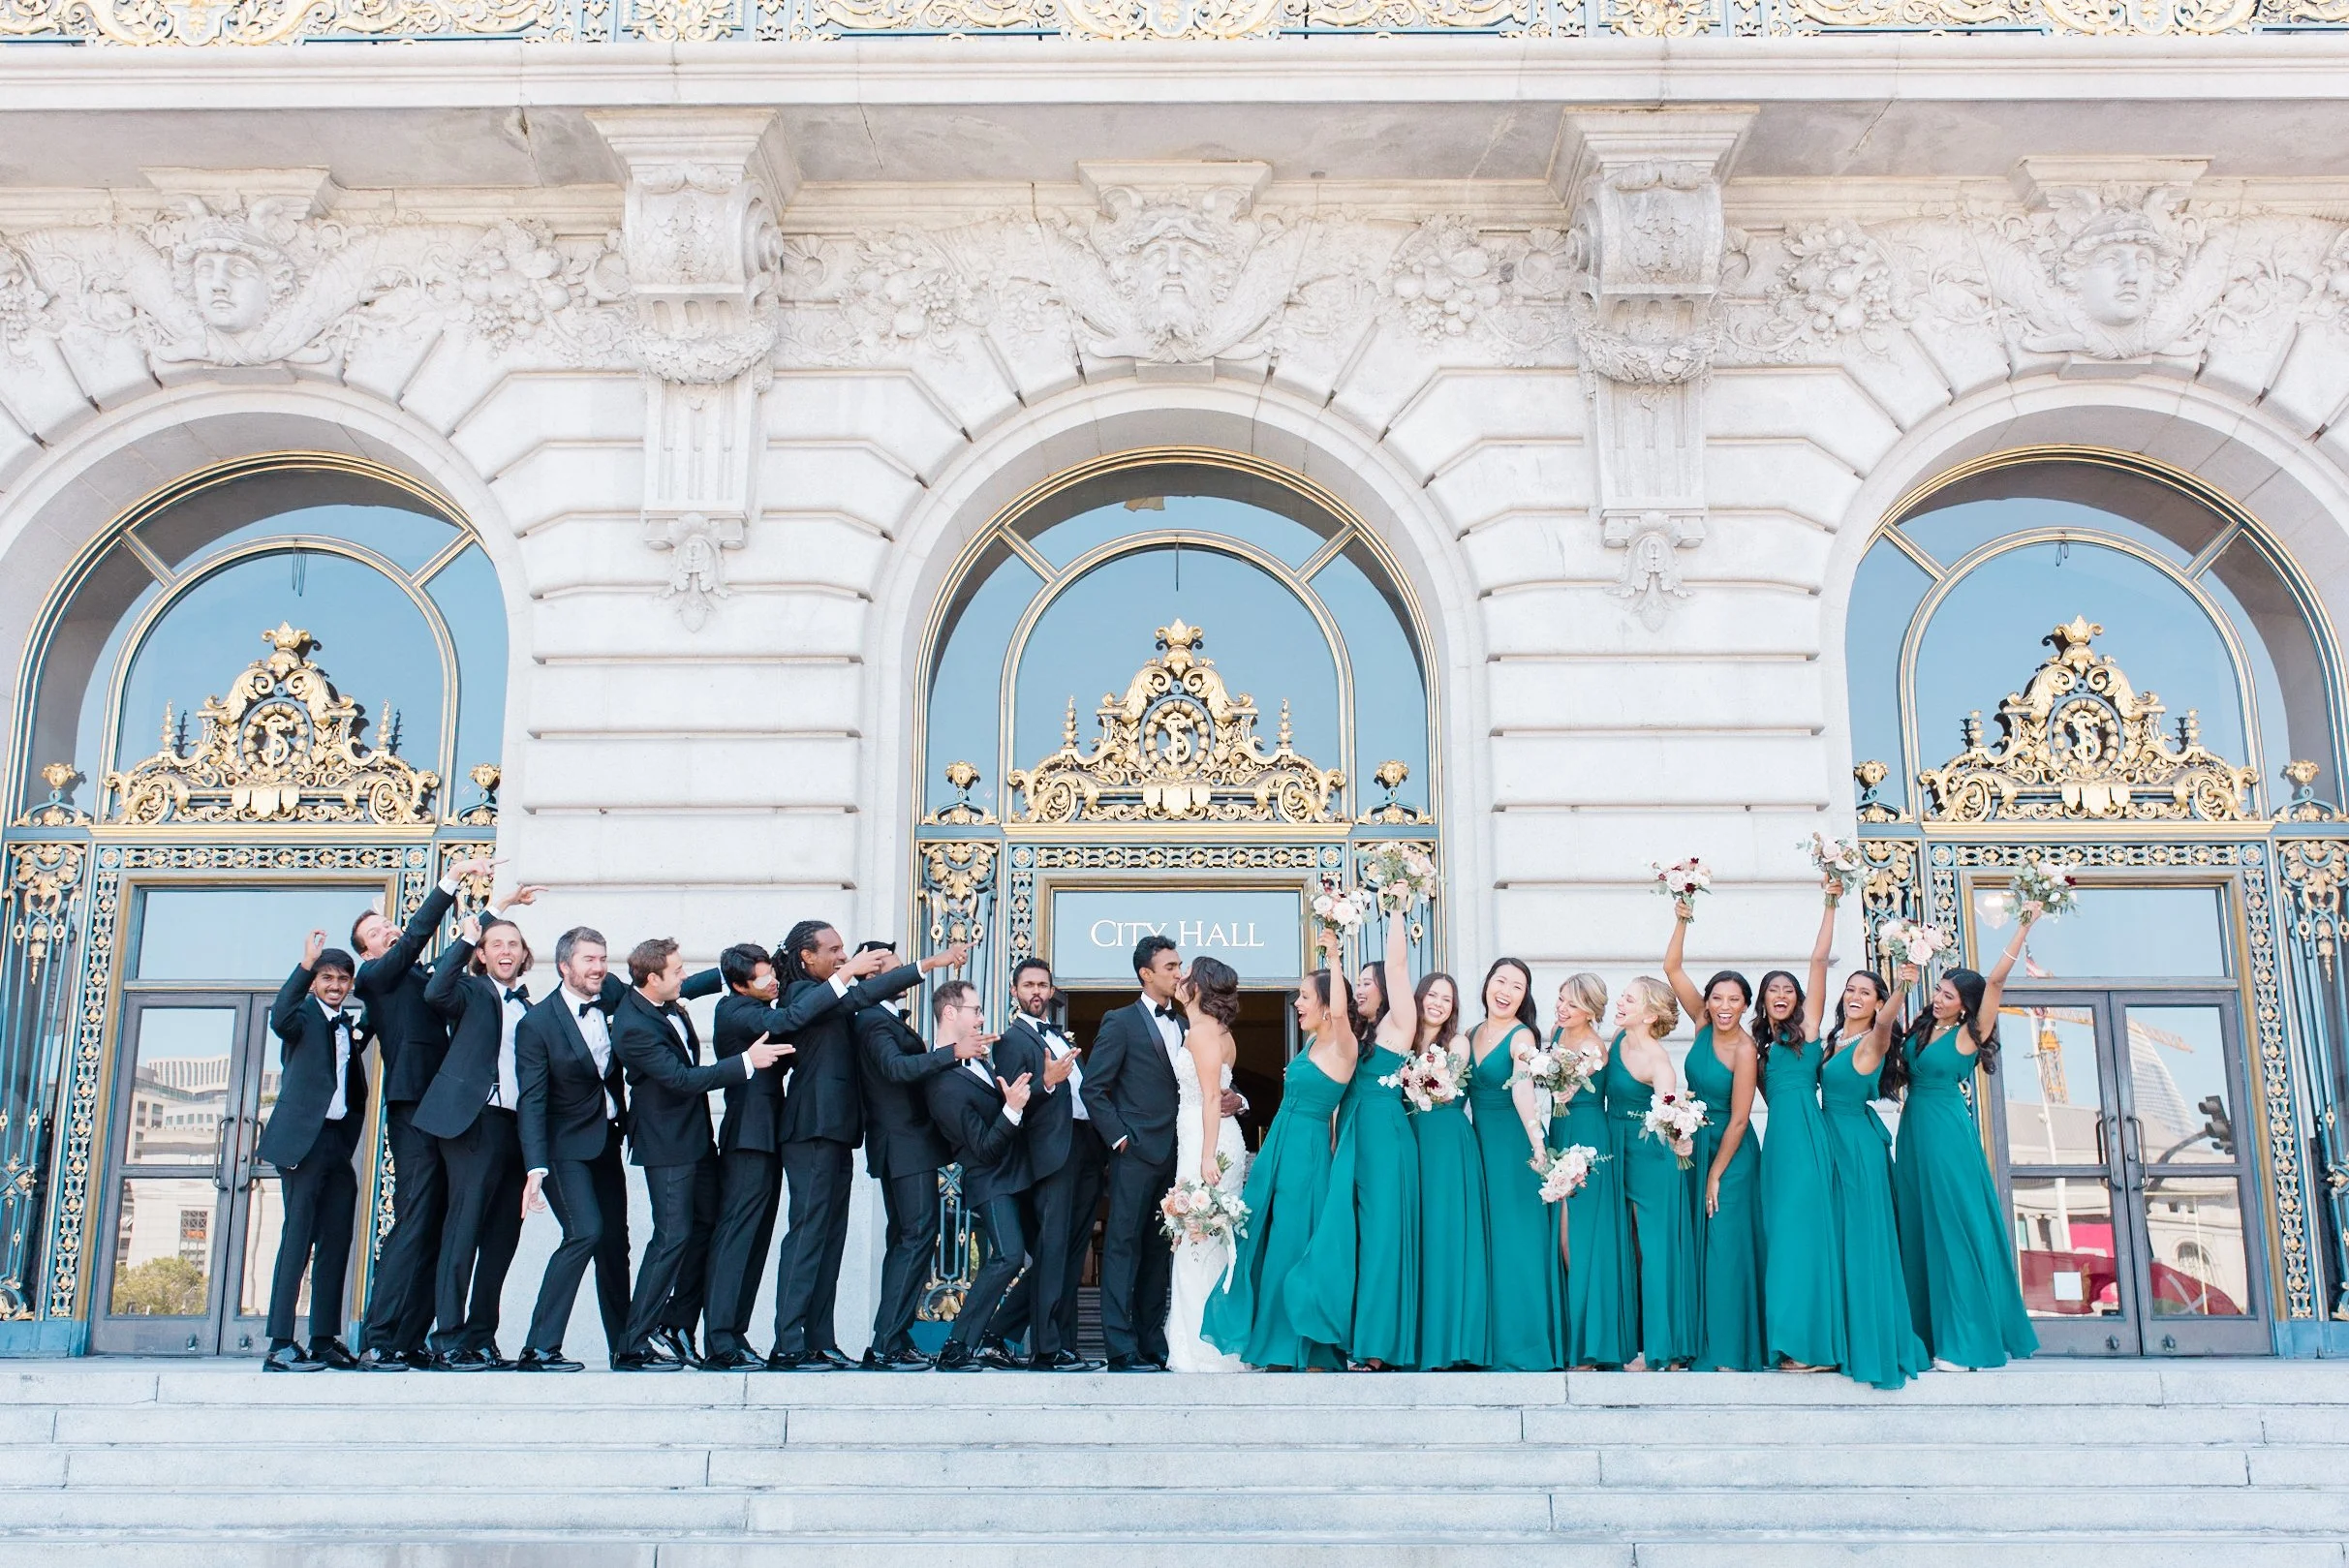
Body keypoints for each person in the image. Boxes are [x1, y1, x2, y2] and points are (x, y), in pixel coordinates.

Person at [766, 921, 951, 1370]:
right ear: (806, 957)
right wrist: (853, 971)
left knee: (830, 1241)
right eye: (832, 949)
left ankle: (820, 1341)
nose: (842, 954)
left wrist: (924, 967)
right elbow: (832, 998)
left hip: (839, 1135)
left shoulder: (840, 999)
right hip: (810, 1131)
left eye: (843, 949)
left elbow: (867, 996)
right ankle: (788, 1344)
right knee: (807, 1236)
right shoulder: (799, 997)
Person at [347, 856, 498, 1371]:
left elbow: (458, 958)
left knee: (439, 1221)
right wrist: (451, 881)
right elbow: (416, 938)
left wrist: (499, 906)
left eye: (387, 923)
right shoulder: (374, 977)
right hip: (412, 1108)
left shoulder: (419, 976)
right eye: (375, 930)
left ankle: (413, 1337)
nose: (387, 930)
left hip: (448, 1106)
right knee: (413, 1219)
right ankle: (377, 1338)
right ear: (365, 950)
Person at [610, 937, 788, 1370]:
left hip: (696, 1139)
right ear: (652, 979)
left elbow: (709, 981)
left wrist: (753, 972)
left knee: (706, 1228)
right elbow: (682, 1079)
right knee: (670, 1237)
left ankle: (677, 1323)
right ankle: (632, 1344)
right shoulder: (632, 1025)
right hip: (666, 1146)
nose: (684, 976)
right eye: (677, 971)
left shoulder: (664, 996)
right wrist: (747, 1062)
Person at [1893, 907, 2044, 1370]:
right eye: (1938, 990)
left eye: (1949, 995)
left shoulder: (1970, 1032)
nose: (1939, 999)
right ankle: (1925, 1337)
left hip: (1946, 1137)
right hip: (1914, 1132)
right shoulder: (1923, 1028)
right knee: (1919, 1228)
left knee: (1952, 1229)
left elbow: (1995, 982)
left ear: (1966, 1004)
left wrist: (2024, 925)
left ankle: (1966, 1343)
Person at [1203, 932, 1354, 1369]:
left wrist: (1335, 956)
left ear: (1328, 1004)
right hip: (1280, 1149)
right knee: (1264, 1238)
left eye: (1305, 996)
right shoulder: (1311, 1045)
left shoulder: (1341, 1044)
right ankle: (1272, 1342)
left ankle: (1296, 1346)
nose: (1297, 1004)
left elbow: (1342, 1011)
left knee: (1293, 1241)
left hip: (1305, 1157)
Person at [1292, 910, 1422, 1370]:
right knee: (1352, 1239)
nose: (1361, 988)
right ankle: (1344, 1336)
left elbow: (1400, 964)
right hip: (1349, 1136)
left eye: (1369, 982)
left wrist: (1397, 908)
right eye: (1358, 982)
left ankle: (1378, 1345)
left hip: (1384, 1138)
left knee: (1383, 1238)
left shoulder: (1398, 1025)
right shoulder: (1353, 1035)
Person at [415, 912, 539, 1369]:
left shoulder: (531, 1007)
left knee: (504, 1237)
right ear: (482, 956)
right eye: (497, 944)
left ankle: (482, 1337)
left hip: (517, 1128)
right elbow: (435, 990)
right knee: (463, 1230)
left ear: (525, 955)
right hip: (474, 1122)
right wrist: (467, 935)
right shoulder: (469, 991)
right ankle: (446, 1339)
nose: (507, 951)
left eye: (514, 944)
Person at [853, 944, 981, 1370]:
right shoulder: (872, 1019)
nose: (906, 975)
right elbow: (895, 1070)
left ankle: (895, 1334)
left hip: (913, 1144)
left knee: (909, 1239)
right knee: (917, 1235)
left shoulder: (887, 1019)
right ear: (874, 979)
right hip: (902, 1145)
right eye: (894, 970)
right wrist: (953, 1054)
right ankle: (886, 1343)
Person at [514, 927, 630, 1371]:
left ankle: (626, 1347)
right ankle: (539, 1347)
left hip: (605, 1141)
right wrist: (536, 1167)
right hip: (563, 1150)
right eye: (588, 960)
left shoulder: (611, 996)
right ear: (565, 966)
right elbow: (533, 1100)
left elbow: (655, 985)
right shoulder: (538, 1023)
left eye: (602, 958)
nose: (598, 967)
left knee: (614, 1244)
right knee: (584, 1231)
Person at [257, 932, 369, 1372]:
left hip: (337, 1143)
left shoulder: (347, 1024)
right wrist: (304, 966)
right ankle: (280, 1344)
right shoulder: (302, 1015)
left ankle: (323, 1339)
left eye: (343, 979)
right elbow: (278, 1016)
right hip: (302, 1142)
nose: (335, 986)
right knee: (298, 1238)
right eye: (327, 978)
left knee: (337, 1238)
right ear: (315, 982)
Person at [1662, 902, 1766, 1371]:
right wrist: (1683, 914)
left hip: (1731, 1157)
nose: (1725, 1007)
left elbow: (1741, 1120)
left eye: (1735, 1000)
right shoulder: (1702, 1025)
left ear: (1746, 1006)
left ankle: (1727, 1350)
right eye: (1718, 998)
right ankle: (1692, 1343)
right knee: (1695, 1247)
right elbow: (1672, 967)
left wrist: (1715, 1178)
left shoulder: (1746, 1049)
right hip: (1693, 1147)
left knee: (1724, 1249)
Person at [1754, 880, 1851, 1373]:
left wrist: (1831, 901)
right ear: (1763, 1001)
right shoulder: (1758, 1049)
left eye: (1787, 990)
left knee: (1805, 1237)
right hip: (1777, 1147)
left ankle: (1815, 1347)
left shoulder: (1808, 1034)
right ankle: (1789, 1342)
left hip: (1809, 1141)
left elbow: (1817, 963)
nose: (1782, 995)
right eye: (1773, 990)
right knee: (1781, 1240)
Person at [994, 957, 1105, 1371]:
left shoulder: (1059, 1036)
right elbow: (1010, 1102)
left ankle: (1067, 1347)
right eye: (1028, 985)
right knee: (1053, 1251)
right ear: (1015, 991)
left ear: (1052, 991)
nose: (1037, 992)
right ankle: (1046, 1349)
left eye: (1043, 985)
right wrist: (1046, 1082)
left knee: (1070, 1257)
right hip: (1049, 1156)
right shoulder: (1011, 1040)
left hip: (1085, 1149)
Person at [1082, 935, 1187, 1372]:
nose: (1178, 974)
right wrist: (1120, 1138)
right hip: (1134, 1155)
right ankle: (1119, 1348)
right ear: (1146, 974)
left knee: (1158, 1252)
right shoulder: (1119, 1021)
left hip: (1176, 1155)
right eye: (1170, 967)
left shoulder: (1186, 1023)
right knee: (1122, 1250)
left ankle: (1150, 1343)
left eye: (1179, 965)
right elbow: (1094, 1087)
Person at [1821, 967, 1929, 1390]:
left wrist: (1901, 986)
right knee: (1839, 1242)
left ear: (1877, 1003)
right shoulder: (1833, 1040)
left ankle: (1871, 1343)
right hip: (1830, 1140)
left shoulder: (1873, 1040)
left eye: (1866, 993)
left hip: (1857, 1148)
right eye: (1850, 989)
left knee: (1862, 1243)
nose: (1855, 996)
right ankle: (1840, 1336)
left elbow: (1886, 1023)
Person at [923, 981, 1033, 1370]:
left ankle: (994, 1337)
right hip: (989, 1181)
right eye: (975, 1009)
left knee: (1052, 1256)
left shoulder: (979, 1060)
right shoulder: (942, 1078)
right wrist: (1013, 1110)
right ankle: (957, 1347)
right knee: (1008, 1256)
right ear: (950, 1013)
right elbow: (982, 1146)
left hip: (1017, 1177)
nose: (982, 1017)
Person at [1467, 957, 1563, 1371]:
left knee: (1516, 1242)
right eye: (1500, 982)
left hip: (1513, 1148)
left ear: (1524, 998)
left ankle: (1522, 1346)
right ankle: (1488, 1341)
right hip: (1477, 1148)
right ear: (1487, 984)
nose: (1506, 991)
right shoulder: (1470, 1034)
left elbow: (1523, 1091)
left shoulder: (1521, 1035)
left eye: (1517, 987)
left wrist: (1538, 1146)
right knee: (1486, 1243)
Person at [1163, 956, 1252, 1373]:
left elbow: (1214, 1098)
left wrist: (1204, 1157)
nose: (1180, 979)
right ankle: (1220, 1340)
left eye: (1187, 976)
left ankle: (1199, 1348)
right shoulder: (1222, 1032)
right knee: (1216, 1240)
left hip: (1206, 1141)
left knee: (1196, 1238)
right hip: (1212, 1137)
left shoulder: (1199, 1033)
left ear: (1198, 986)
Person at [1607, 975, 1698, 1369]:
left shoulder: (1659, 1062)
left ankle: (1663, 1350)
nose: (1621, 1003)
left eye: (1629, 999)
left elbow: (1669, 1113)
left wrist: (1682, 1136)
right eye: (1623, 997)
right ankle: (1625, 1339)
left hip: (1649, 1158)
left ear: (1650, 1014)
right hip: (1614, 1146)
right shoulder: (1615, 1040)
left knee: (1656, 1251)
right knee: (1624, 1248)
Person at [1549, 973, 1634, 1369]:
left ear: (1592, 1010)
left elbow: (1567, 1089)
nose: (1563, 1008)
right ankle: (1571, 1339)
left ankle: (1588, 1345)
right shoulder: (1557, 1034)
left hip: (1586, 1142)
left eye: (1572, 1004)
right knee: (1562, 1238)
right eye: (1562, 1000)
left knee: (1577, 1241)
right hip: (1560, 1132)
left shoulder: (1594, 1048)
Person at [1407, 968, 1487, 1370]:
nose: (1438, 1004)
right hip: (1411, 1141)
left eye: (1447, 999)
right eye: (1433, 995)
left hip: (1449, 1143)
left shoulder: (1458, 1042)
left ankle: (1454, 1343)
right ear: (1419, 997)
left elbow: (1446, 1089)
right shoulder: (1402, 1037)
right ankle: (1418, 1342)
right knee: (1418, 1237)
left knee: (1448, 1237)